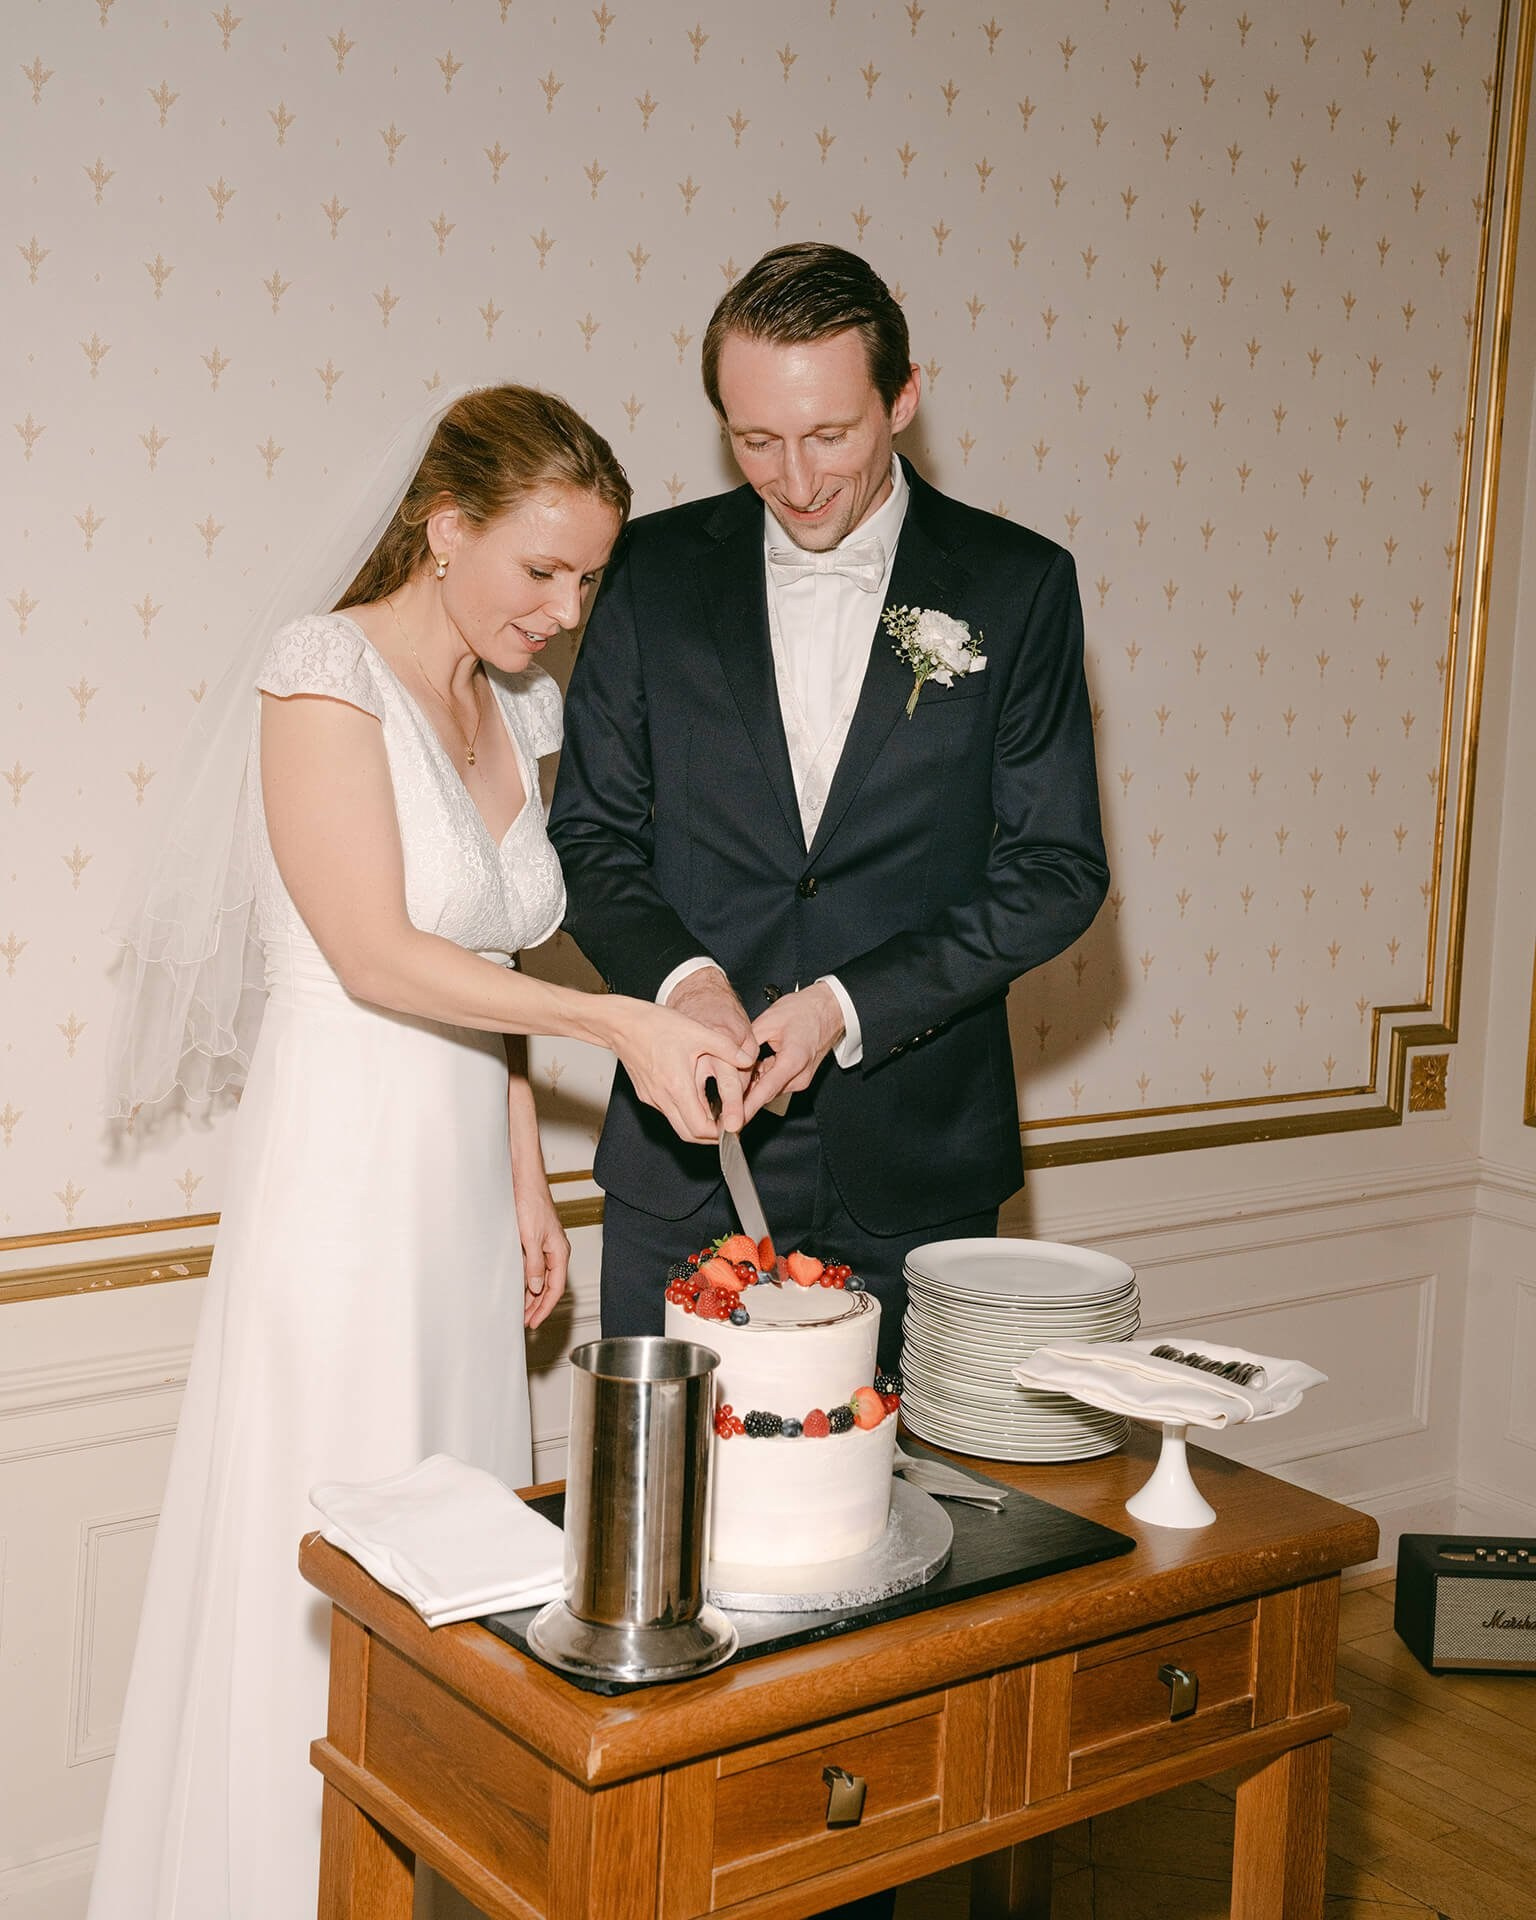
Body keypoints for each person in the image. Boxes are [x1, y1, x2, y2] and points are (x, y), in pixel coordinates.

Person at [89, 385, 754, 1920]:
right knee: (338, 1532)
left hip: (456, 1185)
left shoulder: (521, 712)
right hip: (341, 1179)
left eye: (588, 578)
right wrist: (617, 1024)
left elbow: (486, 963)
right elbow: (380, 956)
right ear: (446, 530)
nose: (566, 611)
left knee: (456, 1542)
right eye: (541, 570)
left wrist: (525, 1174)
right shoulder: (321, 673)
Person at [550, 241, 1110, 1382]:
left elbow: (1056, 870)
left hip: (918, 1169)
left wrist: (844, 1007)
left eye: (829, 435)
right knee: (670, 1488)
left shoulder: (1018, 584)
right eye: (757, 440)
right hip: (682, 1161)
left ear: (902, 399)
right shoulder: (650, 571)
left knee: (907, 1488)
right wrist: (683, 982)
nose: (796, 479)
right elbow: (589, 835)